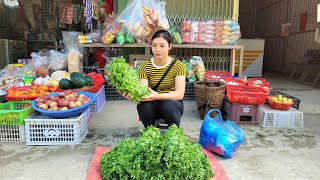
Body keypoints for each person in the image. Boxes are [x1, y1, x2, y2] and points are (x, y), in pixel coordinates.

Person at [123, 30, 186, 128]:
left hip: (172, 102)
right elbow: (143, 90)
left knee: (169, 106)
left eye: (162, 46)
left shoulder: (179, 66)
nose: (157, 50)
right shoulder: (144, 67)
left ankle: (174, 133)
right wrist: (132, 94)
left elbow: (179, 94)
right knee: (145, 106)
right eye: (154, 45)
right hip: (152, 102)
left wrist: (156, 96)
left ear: (170, 46)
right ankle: (151, 132)